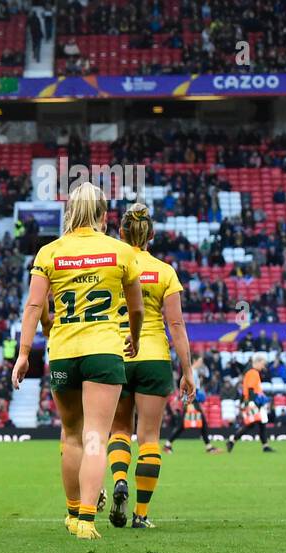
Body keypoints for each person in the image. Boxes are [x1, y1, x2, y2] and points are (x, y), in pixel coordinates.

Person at [13, 182, 143, 541]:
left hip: (64, 352)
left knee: (71, 435)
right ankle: (87, 519)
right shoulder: (121, 252)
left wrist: (24, 354)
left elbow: (35, 307)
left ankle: (72, 514)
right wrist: (133, 334)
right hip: (104, 349)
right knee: (96, 437)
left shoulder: (49, 253)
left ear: (69, 212)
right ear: (103, 214)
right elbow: (136, 308)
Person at [104, 203, 195, 529]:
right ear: (152, 235)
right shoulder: (165, 271)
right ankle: (141, 514)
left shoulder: (112, 266)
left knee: (118, 430)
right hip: (154, 357)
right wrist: (187, 370)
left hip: (117, 354)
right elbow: (177, 325)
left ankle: (118, 480)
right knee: (149, 438)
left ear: (121, 232)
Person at [226, 353, 276, 453]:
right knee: (251, 424)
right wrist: (252, 402)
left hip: (252, 401)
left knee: (260, 423)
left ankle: (265, 445)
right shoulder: (253, 373)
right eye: (262, 364)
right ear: (257, 362)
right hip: (253, 402)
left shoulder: (250, 372)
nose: (263, 366)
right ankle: (232, 440)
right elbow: (250, 388)